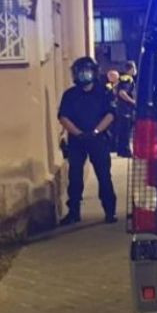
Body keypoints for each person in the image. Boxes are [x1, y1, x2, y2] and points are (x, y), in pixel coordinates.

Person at [57, 57, 117, 225]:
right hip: (77, 140)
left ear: (94, 72)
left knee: (104, 176)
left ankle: (109, 211)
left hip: (98, 140)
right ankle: (74, 212)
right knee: (75, 177)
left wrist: (96, 131)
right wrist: (78, 134)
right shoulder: (70, 95)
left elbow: (111, 114)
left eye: (87, 70)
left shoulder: (104, 92)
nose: (84, 74)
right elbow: (63, 117)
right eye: (80, 71)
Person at [113, 61, 138, 157]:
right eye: (134, 68)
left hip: (120, 109)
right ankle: (126, 151)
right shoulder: (128, 79)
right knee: (126, 132)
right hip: (125, 110)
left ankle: (121, 151)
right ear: (131, 69)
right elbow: (122, 93)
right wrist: (132, 101)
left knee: (122, 131)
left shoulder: (121, 78)